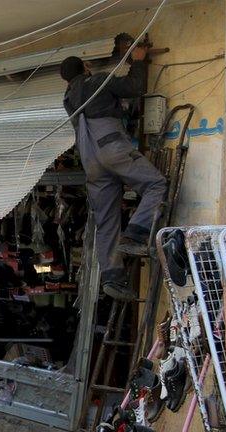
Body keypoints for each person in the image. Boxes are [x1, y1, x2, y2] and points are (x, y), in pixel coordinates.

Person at [60, 46, 167, 301]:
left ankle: (113, 277)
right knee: (156, 184)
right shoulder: (96, 80)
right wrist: (139, 61)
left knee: (105, 219)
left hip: (90, 159)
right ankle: (137, 232)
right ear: (85, 67)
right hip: (111, 146)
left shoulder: (68, 98)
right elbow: (134, 87)